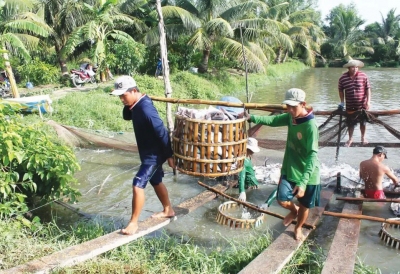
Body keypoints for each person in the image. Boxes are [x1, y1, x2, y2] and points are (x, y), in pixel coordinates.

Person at [241, 88, 320, 241]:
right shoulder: (291, 117)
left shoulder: (311, 126)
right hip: (290, 168)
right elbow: (273, 121)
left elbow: (312, 156)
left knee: (305, 206)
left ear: (303, 104)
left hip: (308, 174)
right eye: (287, 106)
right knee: (282, 199)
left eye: (293, 107)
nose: (290, 110)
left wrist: (303, 183)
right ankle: (293, 210)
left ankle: (298, 228)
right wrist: (251, 117)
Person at [110, 75, 175, 235]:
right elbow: (126, 116)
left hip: (153, 155)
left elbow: (161, 131)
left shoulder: (145, 108)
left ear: (133, 91)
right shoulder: (136, 105)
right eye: (119, 96)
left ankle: (133, 223)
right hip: (147, 153)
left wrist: (169, 155)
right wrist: (128, 103)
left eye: (123, 95)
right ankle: (168, 209)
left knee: (137, 184)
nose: (121, 99)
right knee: (156, 181)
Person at [338, 59, 371, 147]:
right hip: (350, 105)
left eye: (356, 67)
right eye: (353, 67)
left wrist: (368, 101)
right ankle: (350, 138)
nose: (355, 69)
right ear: (348, 68)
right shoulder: (343, 78)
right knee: (350, 123)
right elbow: (340, 90)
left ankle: (363, 137)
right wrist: (342, 102)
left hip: (362, 105)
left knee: (363, 122)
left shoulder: (363, 76)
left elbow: (368, 89)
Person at [237, 137, 261, 202]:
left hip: (253, 185)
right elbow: (242, 177)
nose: (253, 152)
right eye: (251, 150)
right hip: (250, 186)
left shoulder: (248, 157)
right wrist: (242, 191)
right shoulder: (243, 160)